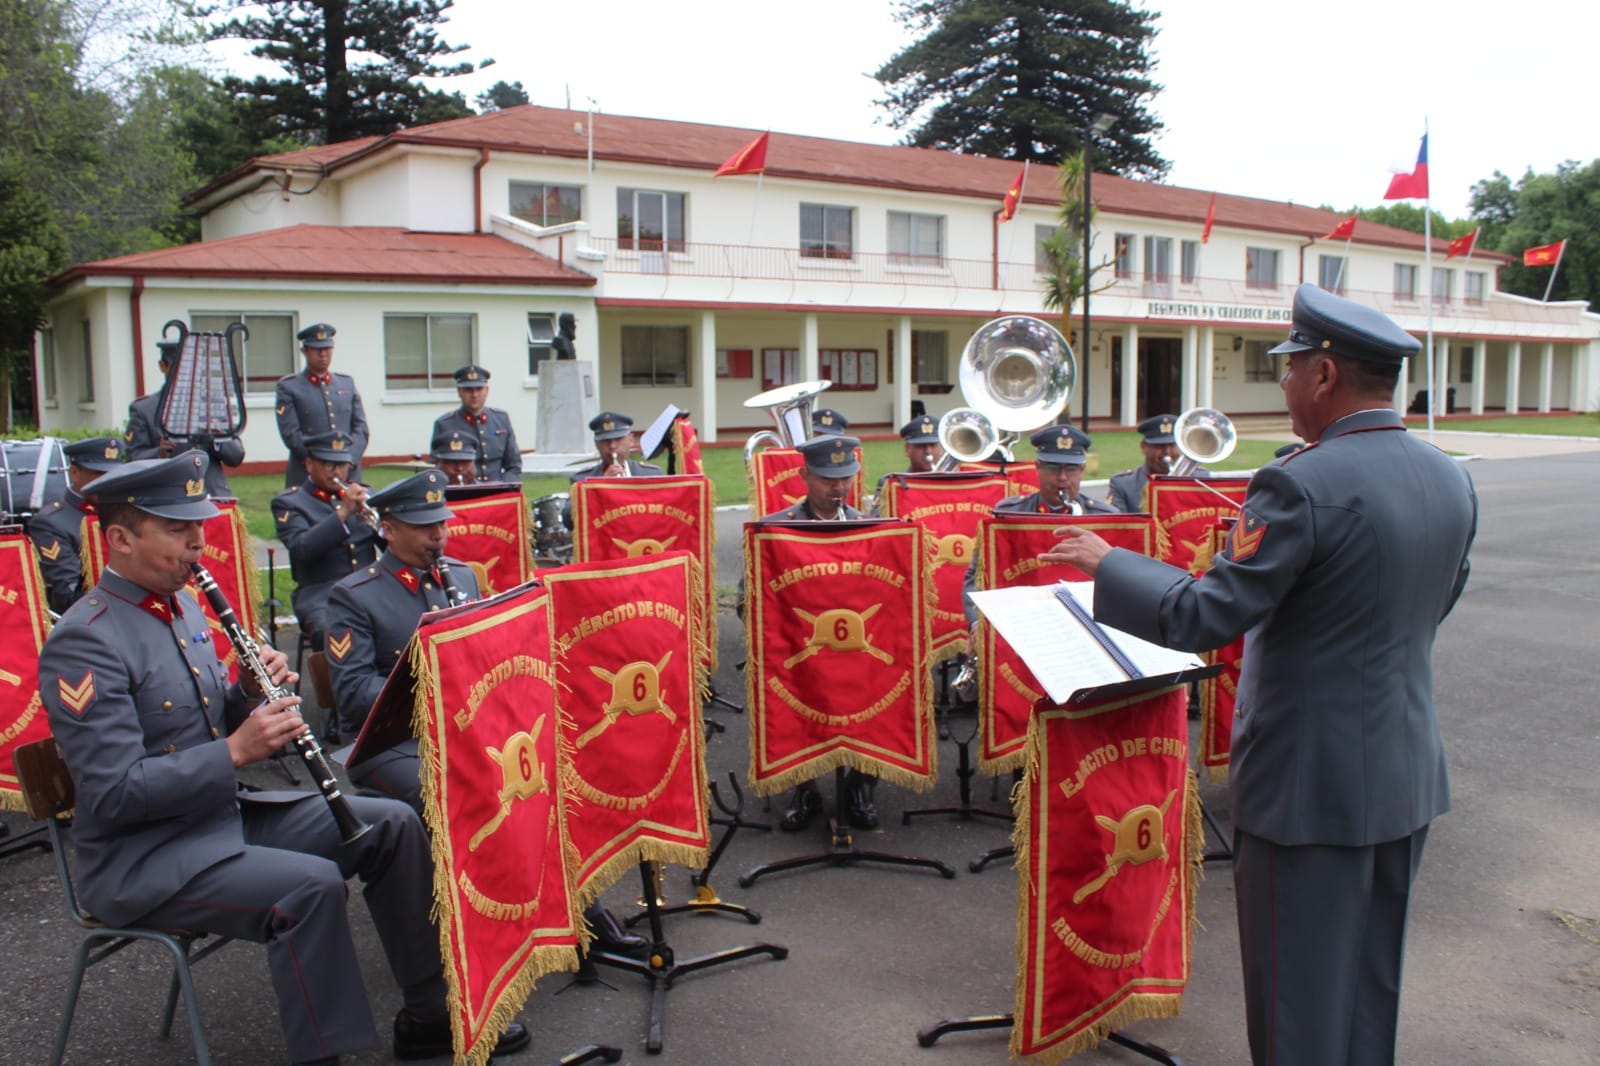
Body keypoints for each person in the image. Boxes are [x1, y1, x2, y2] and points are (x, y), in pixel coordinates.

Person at [1041, 284, 1477, 1066]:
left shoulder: (1300, 484)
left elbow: (1204, 617)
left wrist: (1112, 565)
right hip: (1404, 773)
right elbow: (1435, 605)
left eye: (1288, 369)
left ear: (1325, 374)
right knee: (1369, 987)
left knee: (1296, 1001)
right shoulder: (1449, 477)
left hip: (1308, 786)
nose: (1282, 386)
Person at [37, 451, 530, 1065]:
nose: (198, 543)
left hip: (220, 818)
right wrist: (237, 750)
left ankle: (429, 1013)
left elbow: (204, 719)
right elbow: (113, 793)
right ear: (119, 538)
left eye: (199, 527)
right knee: (310, 887)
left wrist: (247, 693)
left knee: (392, 824)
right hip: (146, 856)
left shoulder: (183, 607)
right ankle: (324, 1056)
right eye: (177, 530)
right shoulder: (87, 639)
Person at [325, 468, 649, 960]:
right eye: (422, 524)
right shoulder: (355, 595)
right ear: (387, 529)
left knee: (547, 774)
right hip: (389, 745)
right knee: (477, 790)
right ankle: (483, 933)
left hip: (469, 731)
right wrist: (439, 689)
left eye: (441, 521)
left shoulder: (459, 575)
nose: (438, 532)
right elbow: (351, 695)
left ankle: (575, 910)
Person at [756, 435, 880, 831]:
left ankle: (860, 784)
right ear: (804, 475)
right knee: (785, 695)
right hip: (799, 645)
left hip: (855, 648)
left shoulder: (871, 528)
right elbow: (750, 594)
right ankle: (803, 786)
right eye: (828, 478)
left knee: (876, 692)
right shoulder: (775, 530)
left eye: (845, 478)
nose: (838, 487)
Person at [959, 424, 1115, 628]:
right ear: (1038, 467)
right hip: (1024, 622)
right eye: (1052, 467)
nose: (1062, 478)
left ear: (1083, 470)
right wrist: (976, 626)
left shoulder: (1107, 519)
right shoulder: (1009, 514)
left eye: (1071, 468)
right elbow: (976, 576)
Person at [270, 431, 382, 647]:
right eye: (329, 465)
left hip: (370, 585)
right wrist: (342, 514)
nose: (338, 472)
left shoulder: (364, 494)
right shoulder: (290, 503)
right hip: (321, 593)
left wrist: (387, 527)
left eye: (343, 465)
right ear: (309, 464)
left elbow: (391, 546)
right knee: (332, 632)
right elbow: (301, 548)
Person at [125, 336, 246, 496]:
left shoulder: (211, 404)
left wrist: (216, 437)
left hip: (211, 496)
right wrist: (158, 453)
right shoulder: (144, 409)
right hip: (168, 497)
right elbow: (133, 458)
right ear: (163, 366)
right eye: (177, 367)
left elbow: (236, 456)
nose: (184, 374)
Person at [26, 436, 125, 614]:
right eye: (98, 475)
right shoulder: (51, 522)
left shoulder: (124, 511)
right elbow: (66, 596)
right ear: (74, 473)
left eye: (113, 475)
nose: (107, 482)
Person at [276, 323, 369, 488]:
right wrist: (321, 465)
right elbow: (292, 435)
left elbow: (361, 429)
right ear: (304, 352)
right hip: (308, 474)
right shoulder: (289, 387)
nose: (323, 354)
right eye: (316, 349)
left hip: (348, 473)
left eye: (327, 349)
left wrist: (348, 461)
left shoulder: (346, 383)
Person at [429, 365, 522, 483]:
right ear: (459, 392)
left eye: (479, 389)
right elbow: (438, 466)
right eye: (468, 390)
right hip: (463, 491)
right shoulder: (444, 424)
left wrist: (505, 487)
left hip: (498, 490)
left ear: (487, 390)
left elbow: (514, 465)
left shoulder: (501, 419)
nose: (474, 394)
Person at [1107, 413, 1205, 512]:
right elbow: (1116, 524)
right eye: (1160, 446)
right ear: (1144, 447)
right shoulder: (1123, 484)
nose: (1167, 452)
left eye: (1172, 445)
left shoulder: (1201, 478)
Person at [871, 415, 943, 511]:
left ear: (940, 449)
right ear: (907, 450)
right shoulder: (890, 484)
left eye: (933, 445)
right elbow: (878, 518)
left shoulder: (952, 482)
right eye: (921, 446)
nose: (928, 451)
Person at [569, 411, 663, 483]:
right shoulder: (581, 479)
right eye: (605, 441)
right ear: (596, 444)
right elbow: (572, 508)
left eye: (618, 439)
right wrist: (600, 485)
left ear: (631, 440)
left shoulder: (652, 474)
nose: (612, 446)